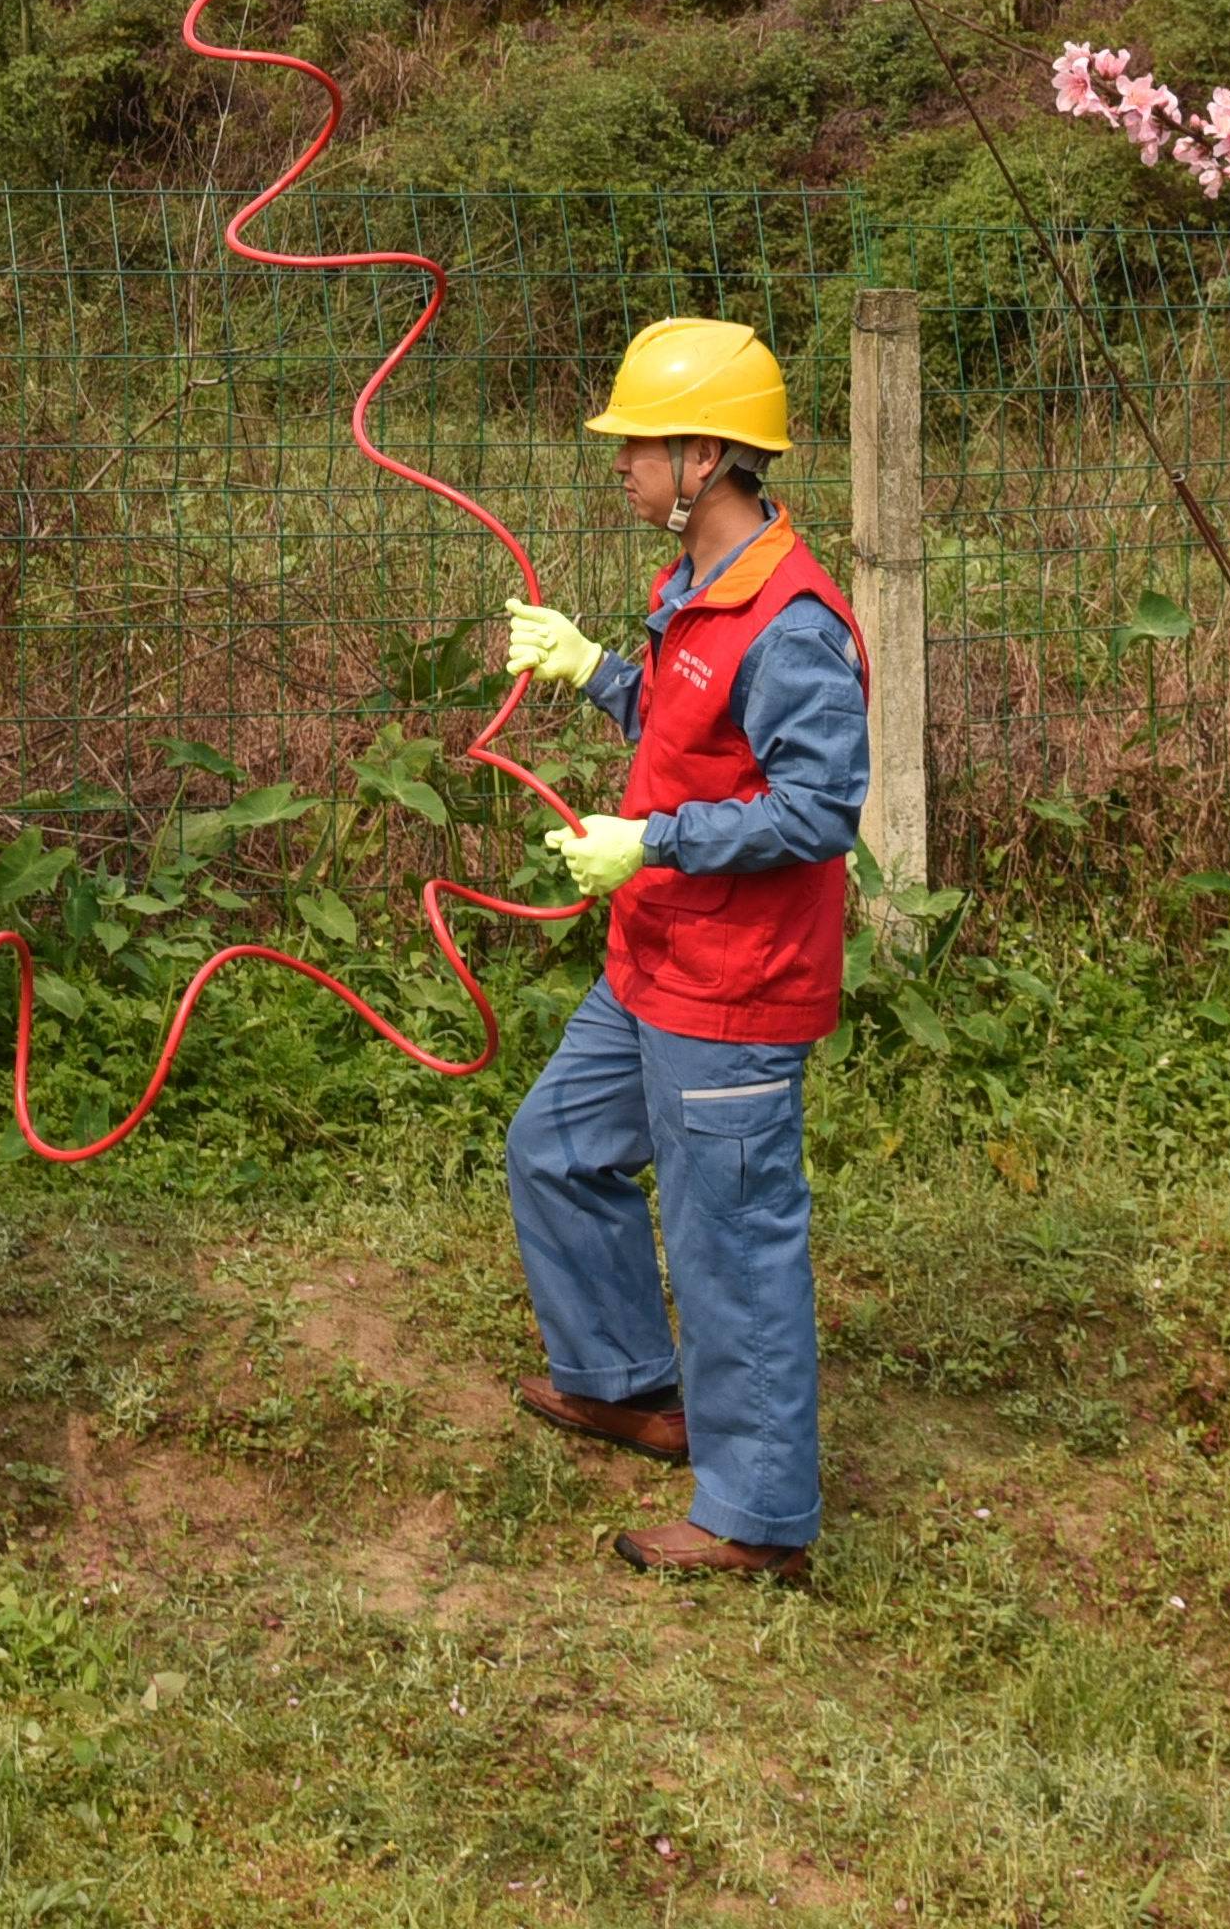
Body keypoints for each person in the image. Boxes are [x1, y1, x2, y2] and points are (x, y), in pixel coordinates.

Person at [494, 317, 871, 1583]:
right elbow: (690, 722)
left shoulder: (791, 618)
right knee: (555, 1147)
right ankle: (627, 1385)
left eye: (639, 443)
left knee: (731, 1240)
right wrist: (595, 667)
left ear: (704, 457)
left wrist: (649, 840)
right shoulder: (697, 587)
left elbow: (819, 807)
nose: (620, 461)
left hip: (734, 984)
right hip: (652, 959)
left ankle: (758, 1518)